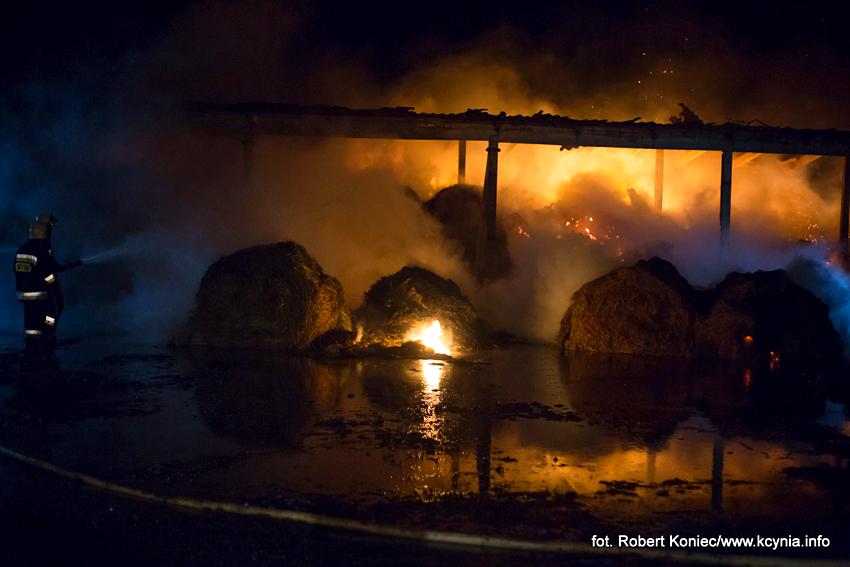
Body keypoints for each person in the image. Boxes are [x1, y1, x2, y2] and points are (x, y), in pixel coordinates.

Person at [13, 212, 81, 350]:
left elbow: (21, 270)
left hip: (25, 294)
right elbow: (47, 272)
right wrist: (54, 285)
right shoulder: (40, 249)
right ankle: (47, 335)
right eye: (49, 228)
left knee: (31, 322)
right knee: (51, 315)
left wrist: (64, 267)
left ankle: (32, 344)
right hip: (40, 293)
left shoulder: (23, 249)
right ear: (43, 232)